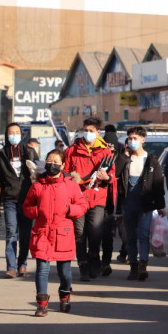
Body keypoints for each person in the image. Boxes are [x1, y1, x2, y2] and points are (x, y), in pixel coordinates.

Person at [23, 149, 88, 316]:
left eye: (56, 162)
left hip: (63, 234)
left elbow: (82, 206)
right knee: (42, 269)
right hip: (43, 233)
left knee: (65, 273)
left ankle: (65, 295)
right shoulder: (37, 185)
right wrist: (36, 211)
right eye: (49, 161)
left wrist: (69, 209)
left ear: (63, 165)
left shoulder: (71, 185)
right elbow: (26, 206)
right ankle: (42, 304)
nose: (52, 164)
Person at [63, 117, 114, 281]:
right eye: (86, 130)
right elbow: (64, 173)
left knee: (95, 231)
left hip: (97, 198)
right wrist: (71, 177)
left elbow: (112, 177)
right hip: (77, 198)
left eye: (91, 131)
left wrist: (106, 177)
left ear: (98, 132)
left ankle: (94, 258)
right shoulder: (72, 150)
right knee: (79, 233)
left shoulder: (105, 151)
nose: (88, 133)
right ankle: (83, 265)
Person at [115, 126, 165, 281]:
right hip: (128, 203)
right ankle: (133, 267)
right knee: (130, 237)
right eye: (130, 138)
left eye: (135, 138)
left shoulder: (151, 160)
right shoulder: (125, 158)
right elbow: (115, 173)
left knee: (143, 234)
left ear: (143, 139)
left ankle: (143, 264)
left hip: (145, 203)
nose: (132, 141)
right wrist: (124, 155)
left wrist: (160, 205)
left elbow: (157, 183)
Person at [0, 123, 37, 278]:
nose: (14, 135)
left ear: (21, 134)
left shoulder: (30, 152)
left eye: (17, 132)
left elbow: (38, 174)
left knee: (25, 235)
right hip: (9, 200)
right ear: (6, 135)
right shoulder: (1, 155)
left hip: (27, 200)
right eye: (11, 132)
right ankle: (11, 267)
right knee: (11, 233)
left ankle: (22, 264)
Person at [100, 124, 122, 276]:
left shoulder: (121, 159)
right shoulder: (99, 155)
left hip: (112, 203)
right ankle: (96, 260)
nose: (110, 151)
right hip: (98, 200)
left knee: (107, 235)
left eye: (113, 149)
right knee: (95, 234)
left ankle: (106, 262)